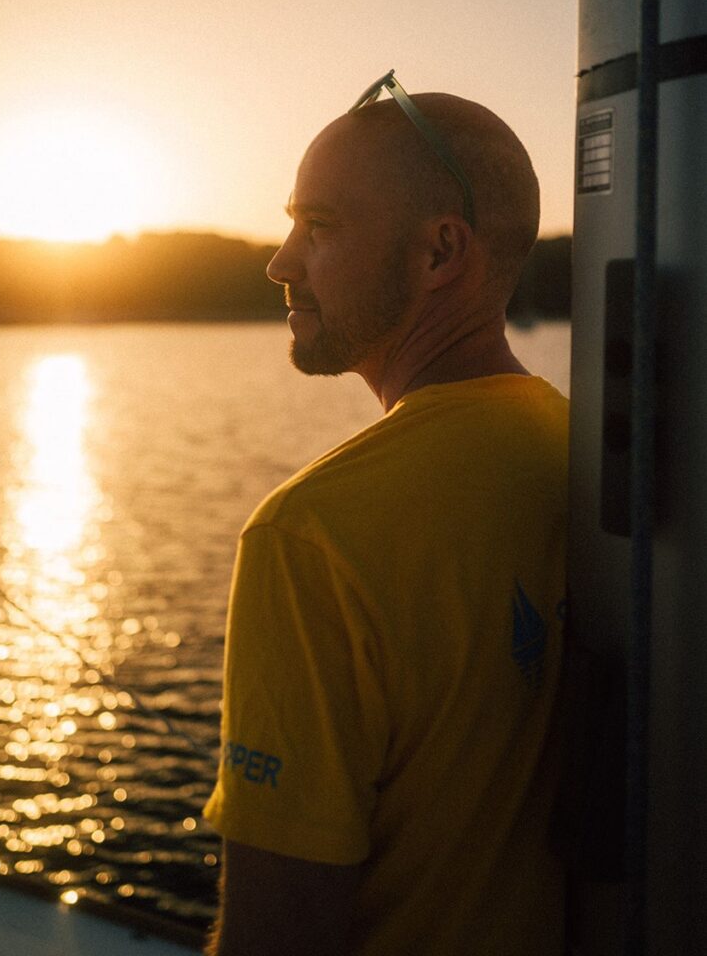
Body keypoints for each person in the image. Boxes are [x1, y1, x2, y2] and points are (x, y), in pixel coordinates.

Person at [202, 71, 569, 955]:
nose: (280, 260)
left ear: (440, 253)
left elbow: (277, 934)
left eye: (318, 227)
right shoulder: (570, 444)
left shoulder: (312, 534)